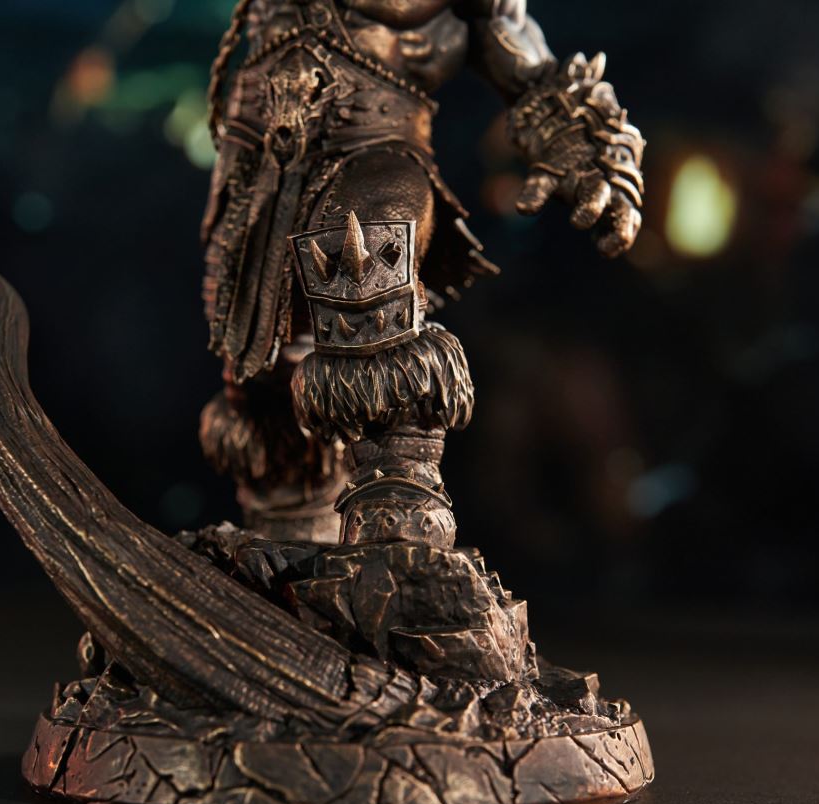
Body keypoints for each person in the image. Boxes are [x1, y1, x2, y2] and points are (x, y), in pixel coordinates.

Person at [198, 0, 645, 546]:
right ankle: (291, 532)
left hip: (372, 148)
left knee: (364, 282)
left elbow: (520, 53)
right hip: (259, 166)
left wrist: (588, 148)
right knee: (260, 372)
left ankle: (401, 517)